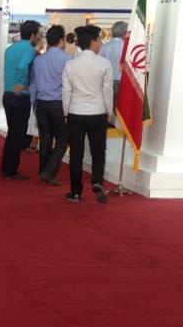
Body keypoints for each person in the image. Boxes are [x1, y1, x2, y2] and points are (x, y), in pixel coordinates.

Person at [62, 25, 113, 203]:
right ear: (92, 43)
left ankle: (76, 192)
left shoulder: (70, 64)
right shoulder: (104, 64)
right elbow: (107, 91)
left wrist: (66, 113)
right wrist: (109, 111)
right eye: (99, 40)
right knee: (98, 151)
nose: (101, 43)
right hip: (98, 112)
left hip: (76, 112)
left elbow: (66, 92)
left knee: (76, 153)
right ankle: (97, 181)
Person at [0, 20, 41, 180]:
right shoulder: (29, 50)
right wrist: (22, 84)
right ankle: (11, 170)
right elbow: (23, 66)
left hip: (7, 95)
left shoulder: (9, 49)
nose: (39, 37)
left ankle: (6, 166)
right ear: (33, 35)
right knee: (18, 135)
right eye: (38, 34)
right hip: (20, 97)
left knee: (12, 133)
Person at [30, 24, 71, 185]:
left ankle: (43, 171)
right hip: (58, 104)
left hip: (41, 103)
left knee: (45, 138)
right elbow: (70, 85)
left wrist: (34, 104)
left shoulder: (38, 60)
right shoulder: (68, 60)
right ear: (61, 40)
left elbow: (33, 85)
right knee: (62, 139)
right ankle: (48, 172)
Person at [102, 21, 127, 105]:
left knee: (108, 105)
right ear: (124, 33)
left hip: (107, 80)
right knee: (121, 106)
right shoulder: (126, 47)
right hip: (122, 81)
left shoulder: (104, 47)